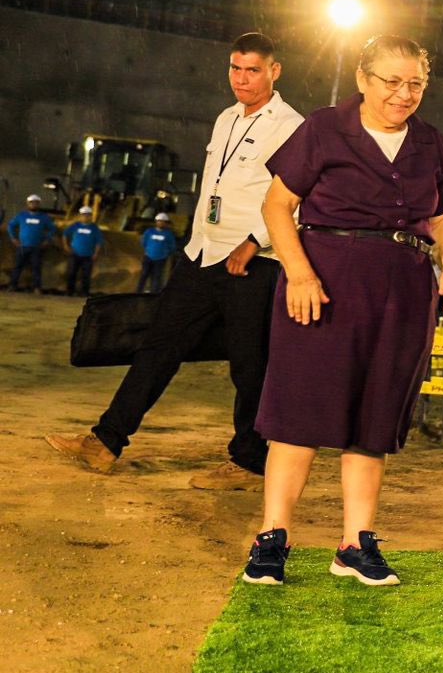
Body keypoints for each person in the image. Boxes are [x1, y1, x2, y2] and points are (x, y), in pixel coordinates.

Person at [241, 35, 443, 587]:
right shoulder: (323, 128)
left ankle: (355, 544)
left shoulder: (429, 142)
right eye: (391, 81)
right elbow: (277, 205)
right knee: (299, 412)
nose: (403, 93)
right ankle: (273, 538)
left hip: (404, 289)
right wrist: (298, 272)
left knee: (374, 415)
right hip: (323, 281)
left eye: (415, 83)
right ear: (363, 79)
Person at [46, 33, 303, 487]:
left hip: (253, 261)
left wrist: (254, 241)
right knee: (157, 347)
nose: (241, 80)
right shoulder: (225, 118)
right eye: (234, 68)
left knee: (249, 365)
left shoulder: (291, 126)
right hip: (202, 253)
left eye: (252, 70)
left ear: (274, 71)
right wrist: (196, 239)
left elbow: (297, 196)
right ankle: (106, 441)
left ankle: (247, 461)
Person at [8, 193, 56, 292]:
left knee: (36, 268)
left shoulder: (44, 217)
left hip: (36, 247)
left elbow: (52, 229)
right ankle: (13, 285)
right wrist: (13, 238)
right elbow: (11, 225)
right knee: (17, 266)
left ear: (39, 204)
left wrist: (47, 240)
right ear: (27, 204)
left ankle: (36, 287)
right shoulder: (21, 215)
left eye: (36, 203)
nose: (33, 204)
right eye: (31, 203)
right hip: (22, 246)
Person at [61, 206, 105, 296]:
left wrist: (96, 253)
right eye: (84, 215)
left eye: (88, 215)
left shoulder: (94, 228)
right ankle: (69, 291)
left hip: (88, 255)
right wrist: (65, 245)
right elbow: (65, 234)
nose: (86, 217)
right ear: (80, 216)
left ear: (91, 216)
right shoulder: (75, 226)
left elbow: (99, 242)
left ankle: (84, 293)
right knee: (71, 273)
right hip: (74, 254)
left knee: (86, 275)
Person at [137, 212, 178, 293]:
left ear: (166, 223)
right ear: (156, 222)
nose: (161, 223)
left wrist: (165, 253)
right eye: (159, 221)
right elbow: (143, 242)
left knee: (156, 277)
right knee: (143, 275)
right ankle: (138, 291)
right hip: (148, 257)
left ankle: (153, 293)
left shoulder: (168, 234)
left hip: (160, 259)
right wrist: (148, 250)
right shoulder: (149, 231)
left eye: (163, 221)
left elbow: (172, 246)